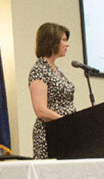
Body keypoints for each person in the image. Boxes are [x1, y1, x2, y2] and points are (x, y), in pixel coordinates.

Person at [29, 22, 76, 159]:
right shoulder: (39, 69)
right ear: (51, 41)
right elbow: (40, 110)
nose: (67, 44)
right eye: (63, 40)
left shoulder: (57, 70)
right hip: (50, 133)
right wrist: (67, 121)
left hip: (65, 132)